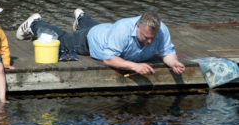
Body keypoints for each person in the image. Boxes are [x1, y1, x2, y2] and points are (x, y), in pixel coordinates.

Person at [16, 9, 185, 75]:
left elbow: (167, 52)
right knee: (62, 39)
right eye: (146, 37)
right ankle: (35, 23)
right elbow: (109, 59)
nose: (149, 41)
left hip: (106, 31)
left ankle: (81, 18)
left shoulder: (161, 30)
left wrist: (174, 62)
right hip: (90, 41)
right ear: (137, 26)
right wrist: (134, 66)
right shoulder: (122, 30)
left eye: (152, 38)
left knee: (102, 29)